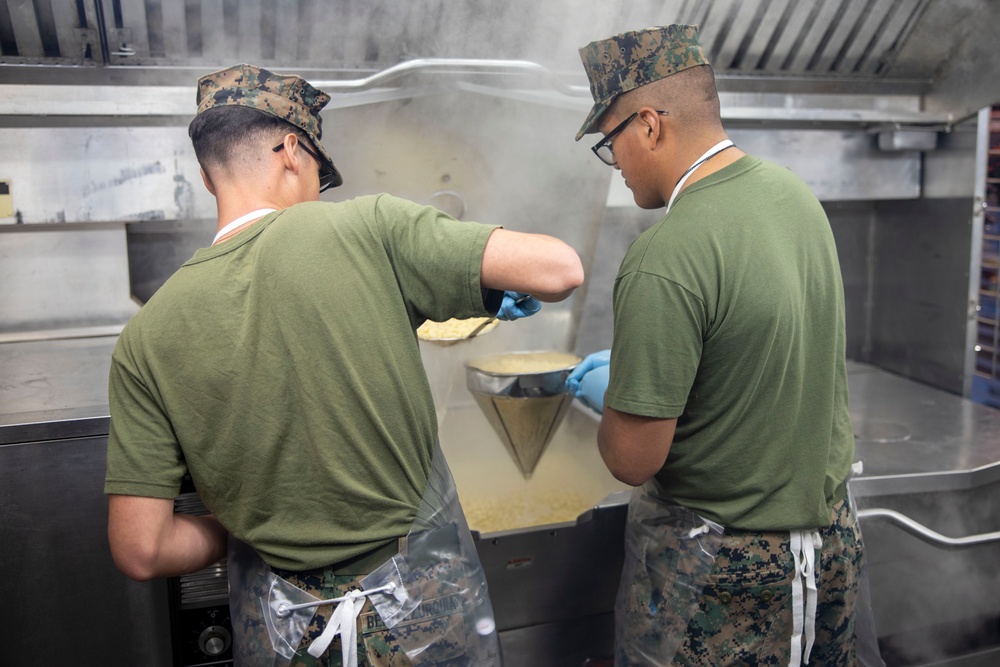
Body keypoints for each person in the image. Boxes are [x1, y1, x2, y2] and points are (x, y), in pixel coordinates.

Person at [104, 63, 584, 666]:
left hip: (279, 632)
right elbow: (559, 269)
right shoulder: (368, 228)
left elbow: (141, 549)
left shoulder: (145, 337)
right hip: (421, 615)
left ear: (206, 177)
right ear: (291, 150)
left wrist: (251, 531)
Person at [566, 25, 876, 666]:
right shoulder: (795, 198)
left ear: (649, 125)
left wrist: (610, 399)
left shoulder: (665, 255)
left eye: (610, 142)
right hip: (829, 553)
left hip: (724, 578)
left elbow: (631, 460)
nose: (616, 164)